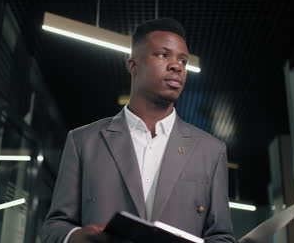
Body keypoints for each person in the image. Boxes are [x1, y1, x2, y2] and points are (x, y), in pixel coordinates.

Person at [42, 18, 235, 243]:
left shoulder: (211, 151)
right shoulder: (82, 141)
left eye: (182, 60)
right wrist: (75, 237)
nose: (177, 66)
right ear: (133, 65)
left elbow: (221, 236)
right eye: (163, 55)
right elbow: (54, 227)